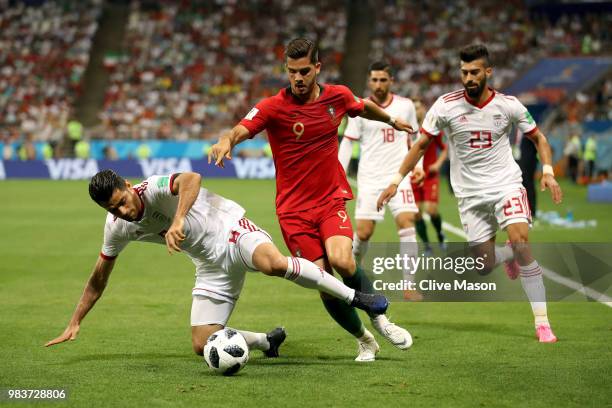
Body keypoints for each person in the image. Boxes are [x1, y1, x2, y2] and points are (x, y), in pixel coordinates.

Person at [209, 38, 413, 362]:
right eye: (292, 72)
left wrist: (390, 121)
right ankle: (364, 340)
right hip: (293, 211)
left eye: (304, 71)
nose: (298, 78)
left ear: (317, 67)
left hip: (330, 199)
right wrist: (225, 140)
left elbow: (363, 106)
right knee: (323, 280)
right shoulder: (271, 107)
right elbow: (240, 128)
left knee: (344, 261)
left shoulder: (338, 96)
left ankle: (381, 319)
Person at [45, 170, 389, 358]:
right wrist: (75, 322)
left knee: (272, 263)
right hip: (209, 265)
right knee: (201, 344)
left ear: (128, 186)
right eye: (112, 209)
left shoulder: (154, 188)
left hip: (231, 229)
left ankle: (354, 298)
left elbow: (192, 178)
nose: (122, 211)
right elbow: (98, 278)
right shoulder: (117, 228)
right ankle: (265, 342)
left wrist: (177, 220)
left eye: (121, 201)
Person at [377, 44, 563, 343]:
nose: (469, 78)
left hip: (506, 185)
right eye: (464, 72)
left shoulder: (509, 105)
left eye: (475, 72)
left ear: (488, 72)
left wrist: (549, 172)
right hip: (470, 196)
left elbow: (538, 138)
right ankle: (505, 257)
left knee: (521, 241)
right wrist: (396, 179)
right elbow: (421, 144)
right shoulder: (445, 106)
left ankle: (542, 322)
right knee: (484, 266)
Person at [337, 61, 424, 301]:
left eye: (382, 79)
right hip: (370, 179)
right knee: (363, 233)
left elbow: (417, 140)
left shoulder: (405, 106)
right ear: (369, 81)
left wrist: (418, 167)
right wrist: (338, 171)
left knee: (407, 222)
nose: (378, 84)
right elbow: (348, 141)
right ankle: (352, 276)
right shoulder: (360, 108)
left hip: (399, 176)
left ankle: (409, 285)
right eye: (374, 79)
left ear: (391, 81)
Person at [411, 99, 448, 256]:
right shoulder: (406, 130)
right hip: (412, 177)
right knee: (417, 213)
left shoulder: (432, 129)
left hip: (430, 176)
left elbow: (445, 149)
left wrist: (438, 164)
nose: (416, 111)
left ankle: (440, 234)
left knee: (431, 210)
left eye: (418, 108)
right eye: (413, 109)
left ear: (423, 109)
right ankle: (427, 245)